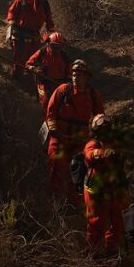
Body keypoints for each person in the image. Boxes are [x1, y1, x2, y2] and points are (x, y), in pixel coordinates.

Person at [45, 59, 103, 204]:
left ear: (86, 77)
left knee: (77, 170)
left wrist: (97, 134)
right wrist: (53, 129)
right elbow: (50, 112)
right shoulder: (63, 90)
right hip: (60, 136)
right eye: (74, 75)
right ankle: (56, 201)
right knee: (56, 166)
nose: (76, 78)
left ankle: (73, 201)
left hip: (80, 139)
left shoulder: (93, 95)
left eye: (79, 75)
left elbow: (99, 117)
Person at [82, 114, 127, 257]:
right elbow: (89, 154)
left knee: (116, 222)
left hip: (112, 188)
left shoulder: (114, 144)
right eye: (103, 129)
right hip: (95, 190)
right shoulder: (93, 144)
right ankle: (92, 254)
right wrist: (102, 153)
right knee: (96, 223)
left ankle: (111, 251)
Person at [6, 0, 55, 79]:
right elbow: (11, 12)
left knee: (33, 60)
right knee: (19, 60)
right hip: (20, 34)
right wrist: (12, 25)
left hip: (35, 36)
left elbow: (49, 20)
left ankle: (30, 80)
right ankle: (16, 80)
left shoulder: (45, 4)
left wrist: (51, 32)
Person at [26, 32, 72, 116]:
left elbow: (70, 72)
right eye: (54, 46)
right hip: (44, 83)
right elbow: (28, 64)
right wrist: (35, 69)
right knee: (45, 103)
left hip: (59, 84)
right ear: (49, 44)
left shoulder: (64, 56)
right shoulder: (42, 52)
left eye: (59, 46)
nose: (57, 49)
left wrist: (68, 83)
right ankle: (47, 121)